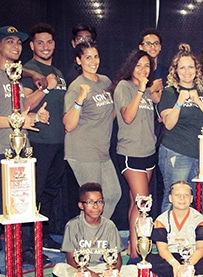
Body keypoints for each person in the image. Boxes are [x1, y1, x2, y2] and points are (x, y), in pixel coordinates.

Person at [0, 25, 52, 274]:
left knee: (24, 208)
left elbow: (18, 112)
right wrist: (15, 122)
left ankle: (23, 255)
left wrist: (35, 117)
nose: (16, 46)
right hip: (0, 151)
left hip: (22, 152)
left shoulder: (15, 77)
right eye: (10, 41)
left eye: (18, 42)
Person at [157, 43, 203, 218]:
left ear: (197, 69)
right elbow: (168, 124)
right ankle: (167, 240)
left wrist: (199, 102)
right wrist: (180, 101)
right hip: (177, 152)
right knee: (176, 197)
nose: (187, 71)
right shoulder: (170, 92)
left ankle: (199, 239)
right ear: (175, 71)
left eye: (191, 67)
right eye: (182, 68)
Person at [108, 49, 159, 264]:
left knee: (135, 203)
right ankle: (137, 255)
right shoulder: (124, 87)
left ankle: (133, 246)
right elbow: (127, 117)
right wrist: (140, 90)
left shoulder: (146, 90)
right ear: (131, 66)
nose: (143, 69)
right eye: (138, 65)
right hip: (131, 153)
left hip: (148, 152)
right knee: (142, 204)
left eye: (147, 66)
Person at [63, 40, 121, 220]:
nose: (93, 61)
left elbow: (110, 113)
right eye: (88, 57)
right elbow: (68, 124)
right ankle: (85, 239)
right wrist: (80, 99)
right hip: (83, 152)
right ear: (79, 61)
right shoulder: (76, 86)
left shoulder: (105, 81)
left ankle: (96, 235)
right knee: (92, 201)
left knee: (112, 194)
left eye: (95, 56)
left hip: (102, 151)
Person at [21, 22, 66, 250]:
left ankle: (42, 235)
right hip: (37, 141)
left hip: (59, 142)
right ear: (32, 45)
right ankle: (28, 244)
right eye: (40, 42)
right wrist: (46, 88)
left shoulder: (57, 72)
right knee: (34, 193)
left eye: (49, 42)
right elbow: (25, 104)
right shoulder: (28, 69)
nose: (45, 46)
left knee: (49, 192)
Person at [52, 182, 138, 277]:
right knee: (59, 269)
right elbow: (71, 260)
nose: (96, 206)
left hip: (103, 268)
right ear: (81, 205)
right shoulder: (72, 225)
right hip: (80, 269)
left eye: (99, 201)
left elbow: (117, 260)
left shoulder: (109, 226)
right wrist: (91, 276)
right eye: (90, 202)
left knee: (135, 271)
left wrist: (107, 276)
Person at [146, 181, 203, 277]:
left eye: (186, 195)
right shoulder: (161, 220)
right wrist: (175, 264)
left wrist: (188, 265)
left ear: (191, 199)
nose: (182, 199)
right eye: (177, 195)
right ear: (170, 198)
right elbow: (162, 249)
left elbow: (200, 248)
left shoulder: (200, 220)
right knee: (149, 259)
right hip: (171, 257)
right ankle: (187, 276)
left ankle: (175, 276)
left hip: (192, 257)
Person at [138, 27, 168, 219]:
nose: (152, 47)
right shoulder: (136, 72)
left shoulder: (166, 71)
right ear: (141, 46)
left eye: (156, 43)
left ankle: (160, 224)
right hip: (141, 133)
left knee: (161, 181)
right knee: (142, 187)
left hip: (164, 131)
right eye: (148, 43)